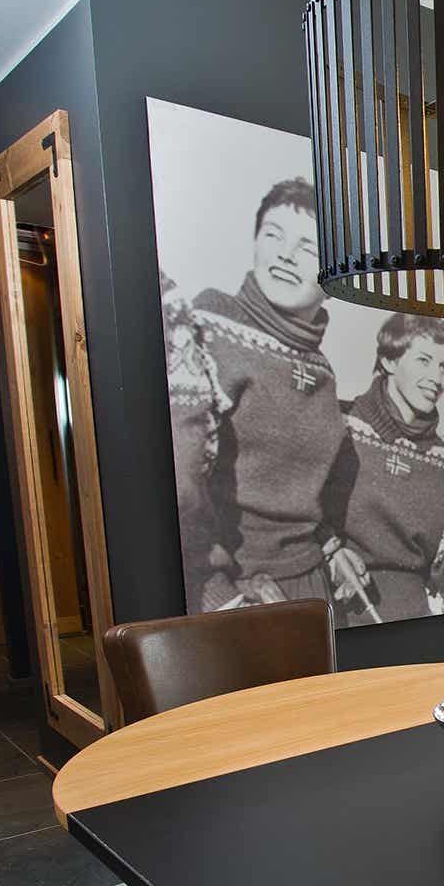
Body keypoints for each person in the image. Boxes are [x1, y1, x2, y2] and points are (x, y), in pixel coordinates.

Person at [167, 177, 356, 614]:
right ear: (254, 243)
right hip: (240, 593)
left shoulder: (321, 368)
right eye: (273, 235)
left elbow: (296, 489)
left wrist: (331, 547)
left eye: (309, 248)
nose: (286, 255)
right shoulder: (209, 326)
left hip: (309, 581)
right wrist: (218, 594)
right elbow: (175, 486)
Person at [332, 313, 444, 624]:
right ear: (389, 361)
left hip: (413, 619)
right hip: (338, 614)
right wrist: (329, 553)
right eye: (424, 361)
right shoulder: (339, 426)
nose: (437, 378)